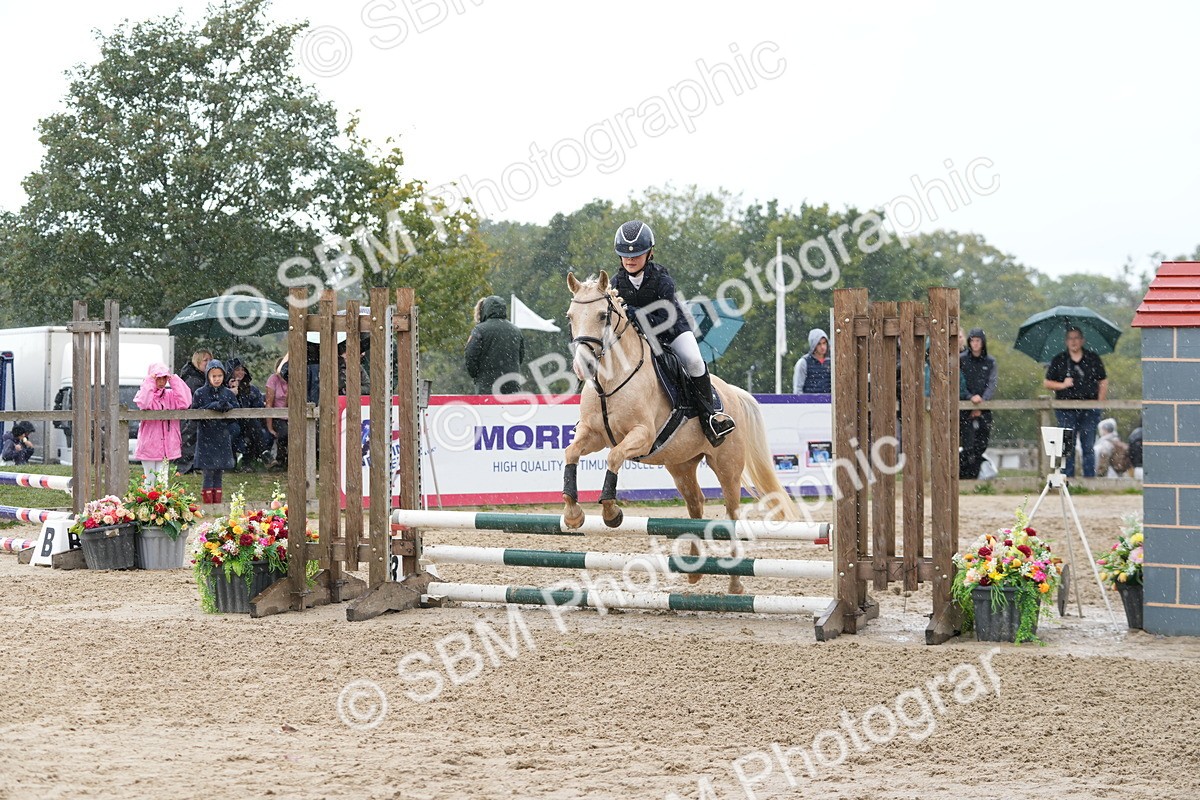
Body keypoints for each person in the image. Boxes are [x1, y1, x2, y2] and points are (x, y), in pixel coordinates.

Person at [609, 219, 734, 446]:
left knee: (694, 361)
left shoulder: (662, 280)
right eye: (625, 254)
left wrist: (637, 313)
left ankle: (710, 417)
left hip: (671, 331)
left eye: (637, 253)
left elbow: (666, 320)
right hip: (639, 338)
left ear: (650, 253)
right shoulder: (615, 284)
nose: (630, 259)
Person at [1044, 326, 1108, 478]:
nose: (1074, 342)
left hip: (1089, 409)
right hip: (1065, 409)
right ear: (1066, 341)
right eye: (1070, 338)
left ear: (1082, 340)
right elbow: (1047, 383)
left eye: (1076, 338)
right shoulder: (1059, 360)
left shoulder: (1093, 359)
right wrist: (1063, 385)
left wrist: (1098, 404)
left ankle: (1089, 482)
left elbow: (1103, 381)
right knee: (1067, 447)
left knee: (1088, 447)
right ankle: (1068, 480)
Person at [133, 363, 192, 486]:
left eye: (164, 378)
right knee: (149, 480)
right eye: (158, 378)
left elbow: (185, 402)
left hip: (167, 446)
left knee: (162, 481)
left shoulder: (170, 395)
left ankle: (161, 505)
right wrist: (149, 380)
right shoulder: (145, 394)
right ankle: (148, 505)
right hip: (149, 444)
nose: (161, 382)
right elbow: (143, 403)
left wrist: (174, 380)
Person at [190, 359, 237, 505]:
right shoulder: (200, 393)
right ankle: (208, 505)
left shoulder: (228, 393)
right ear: (208, 377)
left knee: (219, 473)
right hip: (206, 437)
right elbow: (194, 414)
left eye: (220, 376)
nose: (217, 379)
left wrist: (228, 407)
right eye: (214, 376)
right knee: (208, 473)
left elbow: (237, 412)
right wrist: (212, 407)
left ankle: (217, 505)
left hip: (222, 436)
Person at [465, 296, 525, 395]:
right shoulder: (516, 331)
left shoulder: (480, 330)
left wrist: (476, 375)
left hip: (487, 387)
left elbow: (470, 355)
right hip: (512, 386)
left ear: (484, 310)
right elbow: (520, 357)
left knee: (487, 411)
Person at [959, 328, 998, 479]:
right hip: (965, 407)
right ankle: (965, 475)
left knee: (981, 443)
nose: (975, 344)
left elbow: (992, 383)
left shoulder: (990, 362)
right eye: (972, 341)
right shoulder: (962, 360)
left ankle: (974, 474)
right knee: (967, 444)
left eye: (978, 341)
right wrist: (970, 398)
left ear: (983, 343)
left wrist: (982, 402)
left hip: (984, 408)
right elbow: (960, 383)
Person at [225, 357, 272, 470]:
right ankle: (264, 452)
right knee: (243, 428)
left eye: (243, 369)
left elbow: (258, 408)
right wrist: (233, 392)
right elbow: (225, 405)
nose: (241, 372)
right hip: (231, 422)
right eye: (237, 370)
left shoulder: (252, 389)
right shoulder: (224, 389)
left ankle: (248, 463)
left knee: (252, 425)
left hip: (250, 423)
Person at [176, 348, 212, 473]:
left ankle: (195, 465)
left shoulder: (203, 377)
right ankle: (186, 466)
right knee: (189, 439)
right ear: (197, 362)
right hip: (191, 415)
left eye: (210, 360)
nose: (208, 363)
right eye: (205, 360)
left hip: (197, 415)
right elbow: (197, 399)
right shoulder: (193, 379)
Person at [264, 355, 289, 471]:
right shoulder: (273, 379)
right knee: (284, 433)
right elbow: (269, 403)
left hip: (291, 414)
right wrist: (270, 427)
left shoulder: (295, 380)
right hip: (277, 416)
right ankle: (279, 460)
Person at [792, 329, 831, 394]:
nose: (822, 347)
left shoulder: (831, 362)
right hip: (809, 402)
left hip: (828, 403)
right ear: (814, 345)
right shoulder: (803, 363)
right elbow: (798, 389)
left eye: (824, 343)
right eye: (819, 344)